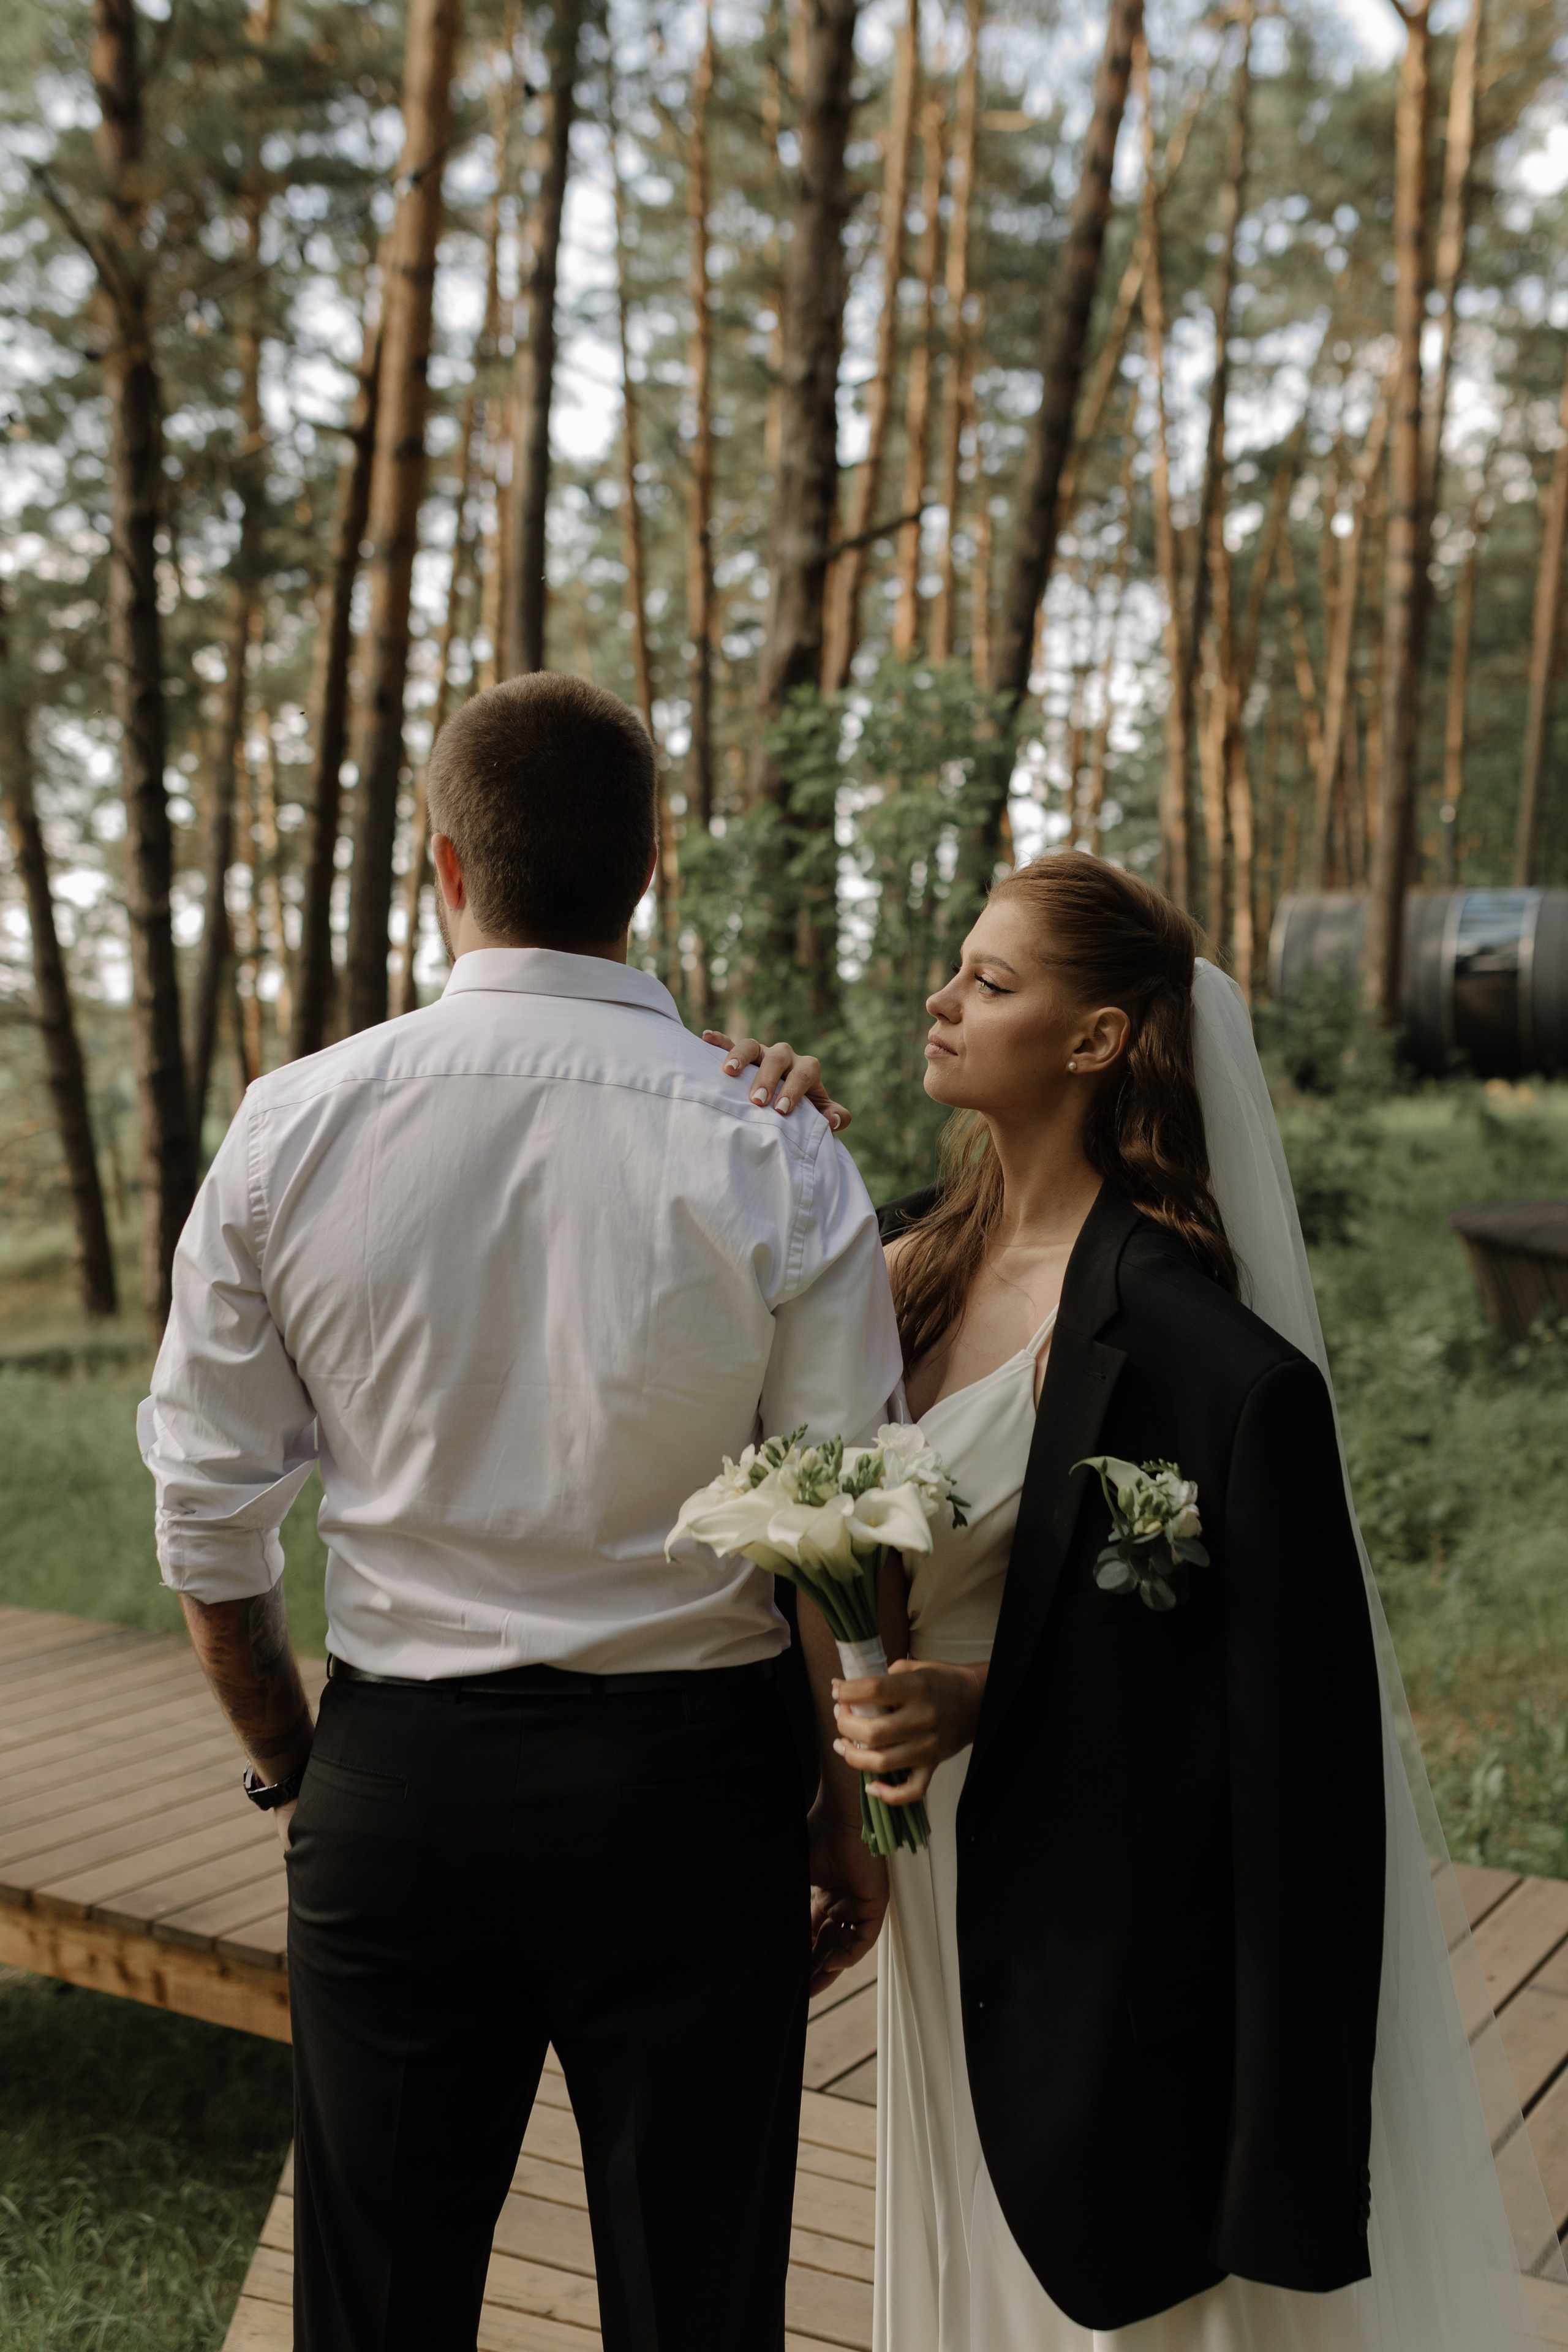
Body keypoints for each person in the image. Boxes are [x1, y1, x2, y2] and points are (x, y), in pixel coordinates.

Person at [138, 672, 902, 2352]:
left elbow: (209, 1519)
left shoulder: (291, 1128)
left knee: (378, 2311)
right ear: (652, 864)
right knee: (700, 2302)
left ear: (441, 867)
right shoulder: (771, 1139)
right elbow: (851, 1516)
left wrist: (297, 1760)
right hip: (695, 1800)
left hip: (403, 1782)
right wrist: (848, 1809)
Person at [711, 851, 1556, 2351]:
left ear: (1095, 1040)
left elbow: (1272, 1752)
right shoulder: (889, 1256)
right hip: (919, 1872)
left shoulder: (1195, 1354)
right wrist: (737, 1119)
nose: (939, 996)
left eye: (990, 979)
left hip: (1079, 1901)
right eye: (955, 967)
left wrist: (977, 1696)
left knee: (1110, 2287)